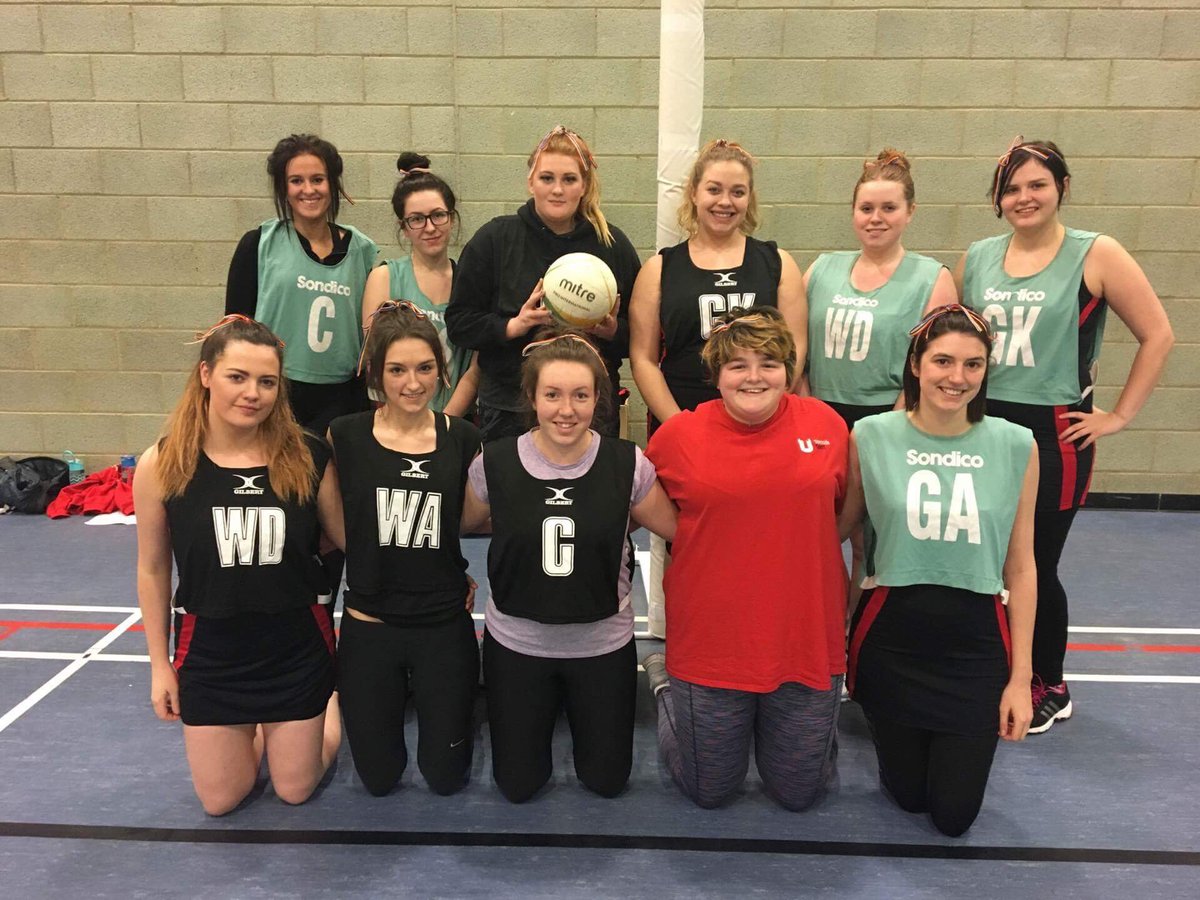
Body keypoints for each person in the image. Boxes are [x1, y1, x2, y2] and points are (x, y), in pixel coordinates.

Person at [955, 137, 1174, 733]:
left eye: (1037, 185)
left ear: (1062, 188)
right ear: (997, 199)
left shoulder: (1095, 254)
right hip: (984, 425)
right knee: (987, 558)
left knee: (1034, 563)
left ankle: (1049, 681)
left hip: (1054, 432)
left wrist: (1119, 416)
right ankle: (1001, 667)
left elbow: (1159, 334)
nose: (1024, 197)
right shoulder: (978, 257)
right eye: (1012, 188)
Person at [840, 304, 1038, 836]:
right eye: (943, 361)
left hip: (975, 646)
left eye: (973, 365)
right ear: (916, 364)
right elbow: (839, 533)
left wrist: (1021, 680)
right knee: (907, 799)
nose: (957, 377)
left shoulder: (1017, 443)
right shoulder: (870, 435)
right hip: (892, 637)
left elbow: (1021, 568)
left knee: (953, 816)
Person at [134, 315, 342, 816]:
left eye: (267, 381)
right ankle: (261, 730)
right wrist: (160, 666)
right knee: (222, 800)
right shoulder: (163, 464)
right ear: (206, 374)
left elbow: (347, 541)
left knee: (295, 788)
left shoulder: (309, 455)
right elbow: (153, 568)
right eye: (238, 377)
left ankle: (328, 704)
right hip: (211, 651)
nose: (253, 393)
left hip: (295, 644)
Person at [642, 307, 848, 811]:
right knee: (709, 790)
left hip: (803, 641)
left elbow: (845, 518)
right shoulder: (677, 438)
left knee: (800, 792)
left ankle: (808, 734)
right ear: (715, 374)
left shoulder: (827, 425)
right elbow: (637, 509)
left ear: (789, 369)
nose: (754, 376)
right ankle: (666, 688)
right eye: (737, 365)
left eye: (769, 362)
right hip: (711, 644)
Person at [461, 329, 676, 802]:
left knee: (606, 782)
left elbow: (675, 528)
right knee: (517, 786)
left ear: (598, 398)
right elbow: (463, 525)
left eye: (580, 395)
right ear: (531, 398)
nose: (566, 409)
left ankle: (664, 693)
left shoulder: (628, 463)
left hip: (602, 645)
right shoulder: (493, 462)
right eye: (552, 395)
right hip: (518, 645)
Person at [629, 138, 806, 639]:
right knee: (681, 535)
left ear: (750, 199)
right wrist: (680, 424)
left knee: (759, 530)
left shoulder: (778, 264)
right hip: (685, 418)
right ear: (693, 193)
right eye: (714, 189)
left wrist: (764, 412)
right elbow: (642, 356)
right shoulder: (661, 267)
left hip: (762, 425)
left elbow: (793, 352)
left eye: (737, 191)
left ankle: (759, 629)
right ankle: (673, 638)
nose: (724, 201)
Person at [327, 302, 481, 797]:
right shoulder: (345, 436)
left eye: (424, 368)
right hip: (371, 626)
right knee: (378, 778)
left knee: (445, 777)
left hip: (442, 624)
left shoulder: (464, 439)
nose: (412, 383)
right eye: (396, 369)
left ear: (442, 370)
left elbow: (475, 522)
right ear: (377, 373)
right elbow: (331, 524)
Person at [446, 125, 640, 442]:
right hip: (509, 408)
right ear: (530, 182)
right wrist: (513, 325)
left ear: (584, 185)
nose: (557, 190)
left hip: (589, 412)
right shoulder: (495, 239)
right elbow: (459, 323)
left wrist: (612, 331)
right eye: (547, 178)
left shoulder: (611, 245)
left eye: (569, 179)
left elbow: (645, 338)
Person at [225, 133, 378, 436]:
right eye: (296, 180)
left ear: (333, 184)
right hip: (275, 393)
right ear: (284, 188)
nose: (308, 190)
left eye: (318, 179)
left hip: (341, 397)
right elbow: (233, 331)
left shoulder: (362, 250)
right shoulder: (258, 244)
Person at [803, 148, 957, 427]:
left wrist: (890, 427)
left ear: (910, 211)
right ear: (853, 212)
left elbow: (935, 365)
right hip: (817, 411)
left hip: (891, 414)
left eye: (889, 208)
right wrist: (807, 411)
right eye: (866, 209)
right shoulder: (821, 269)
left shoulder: (932, 278)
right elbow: (795, 352)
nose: (876, 218)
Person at [361, 152, 478, 416]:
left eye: (438, 215)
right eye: (416, 219)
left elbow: (474, 369)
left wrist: (445, 424)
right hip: (394, 420)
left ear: (452, 218)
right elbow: (375, 363)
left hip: (453, 421)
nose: (429, 227)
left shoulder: (471, 282)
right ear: (403, 227)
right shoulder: (385, 278)